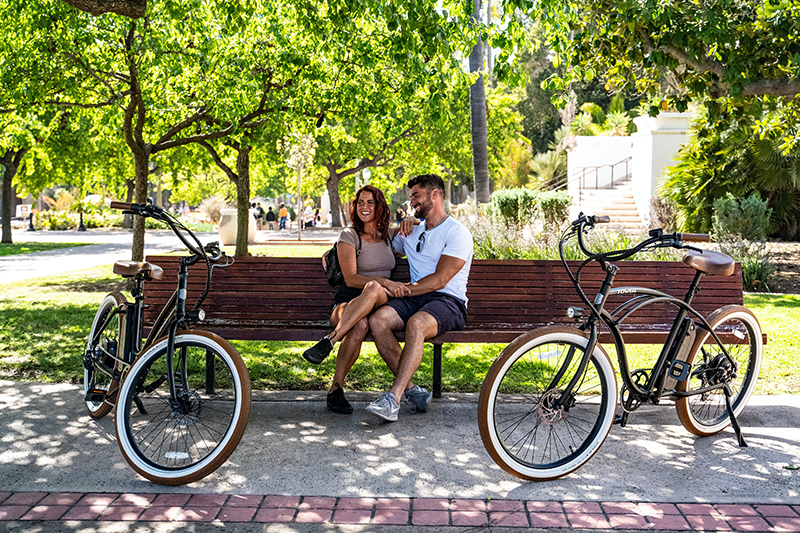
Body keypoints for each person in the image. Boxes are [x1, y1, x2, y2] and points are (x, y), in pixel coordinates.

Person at [365, 174, 473, 422]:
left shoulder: (457, 233)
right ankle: (413, 390)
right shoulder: (413, 230)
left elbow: (440, 280)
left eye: (416, 195)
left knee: (417, 323)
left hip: (447, 301)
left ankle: (393, 399)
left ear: (434, 195)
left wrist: (402, 289)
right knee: (378, 320)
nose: (411, 201)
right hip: (415, 298)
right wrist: (338, 249)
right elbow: (377, 243)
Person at [302, 185, 412, 414]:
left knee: (373, 287)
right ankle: (335, 390)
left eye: (370, 202)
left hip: (379, 301)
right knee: (359, 324)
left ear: (379, 205)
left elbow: (419, 229)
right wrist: (387, 282)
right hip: (347, 302)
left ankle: (328, 342)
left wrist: (410, 218)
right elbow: (351, 279)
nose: (364, 207)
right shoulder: (349, 236)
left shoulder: (389, 237)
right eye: (360, 202)